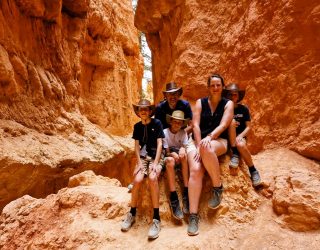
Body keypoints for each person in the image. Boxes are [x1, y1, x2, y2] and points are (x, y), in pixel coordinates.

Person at [186, 74, 234, 236]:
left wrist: (209, 138)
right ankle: (193, 216)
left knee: (207, 148)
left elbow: (224, 125)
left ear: (222, 86)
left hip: (218, 140)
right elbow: (196, 125)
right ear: (208, 87)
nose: (215, 88)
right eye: (212, 85)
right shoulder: (200, 103)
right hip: (198, 142)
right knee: (196, 171)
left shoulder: (228, 104)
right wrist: (200, 144)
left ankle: (217, 187)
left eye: (218, 85)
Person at [121, 99, 165, 240]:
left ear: (150, 111)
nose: (144, 111)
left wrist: (156, 162)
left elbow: (160, 144)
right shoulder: (137, 126)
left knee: (152, 178)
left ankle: (156, 219)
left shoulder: (157, 123)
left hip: (156, 156)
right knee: (138, 179)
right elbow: (136, 146)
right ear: (138, 112)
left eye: (146, 109)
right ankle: (132, 213)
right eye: (141, 109)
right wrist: (139, 163)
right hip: (143, 157)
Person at [154, 82, 193, 212]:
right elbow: (157, 129)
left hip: (181, 137)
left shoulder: (185, 106)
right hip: (166, 140)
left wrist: (180, 132)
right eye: (170, 94)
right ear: (166, 95)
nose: (173, 97)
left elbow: (191, 124)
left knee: (185, 155)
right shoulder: (160, 108)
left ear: (178, 94)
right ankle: (174, 197)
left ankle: (187, 193)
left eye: (175, 94)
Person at [225, 83, 262, 186]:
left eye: (235, 95)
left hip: (239, 136)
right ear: (226, 96)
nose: (233, 97)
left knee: (240, 144)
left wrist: (240, 136)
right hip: (227, 138)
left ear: (238, 96)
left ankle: (253, 170)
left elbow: (249, 127)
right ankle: (235, 154)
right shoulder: (224, 109)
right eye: (230, 95)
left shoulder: (243, 109)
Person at [163, 110, 190, 220]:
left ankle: (186, 191)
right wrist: (172, 153)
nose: (177, 125)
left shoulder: (183, 133)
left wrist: (183, 149)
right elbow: (166, 151)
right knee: (170, 160)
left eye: (179, 123)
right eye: (175, 122)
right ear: (171, 122)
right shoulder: (164, 132)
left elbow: (185, 146)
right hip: (170, 157)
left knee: (184, 156)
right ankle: (173, 197)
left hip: (180, 158)